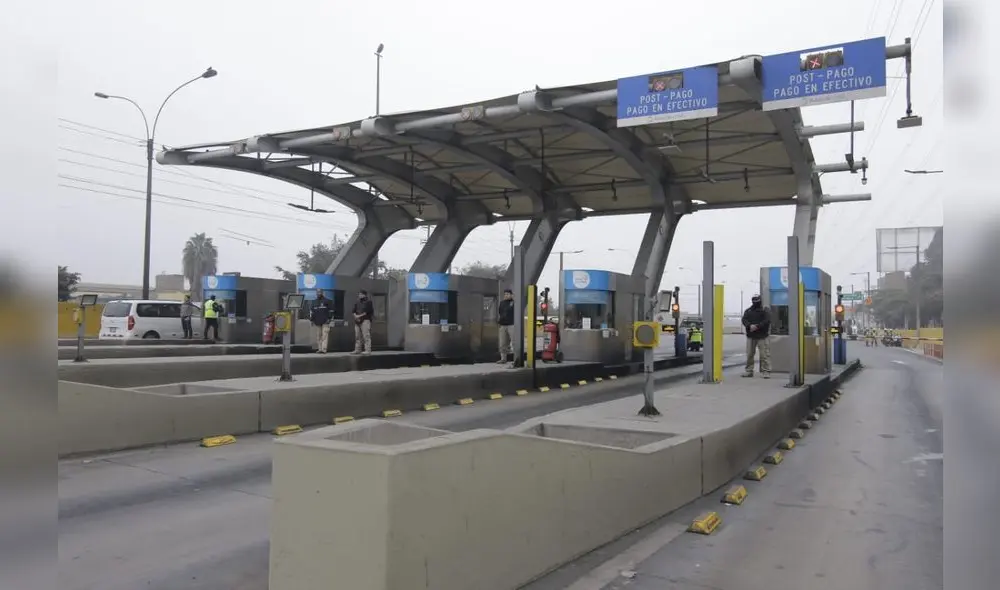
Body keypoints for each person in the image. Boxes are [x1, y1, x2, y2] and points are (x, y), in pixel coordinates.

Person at [741, 294, 771, 378]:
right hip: (751, 336)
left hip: (762, 336)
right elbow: (744, 319)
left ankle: (766, 371)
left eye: (757, 300)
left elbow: (767, 321)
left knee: (764, 355)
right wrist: (749, 325)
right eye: (754, 300)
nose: (756, 302)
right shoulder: (748, 311)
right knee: (749, 354)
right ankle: (749, 371)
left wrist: (757, 326)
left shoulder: (765, 310)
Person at [352, 289, 374, 355]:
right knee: (357, 336)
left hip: (365, 320)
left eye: (361, 294)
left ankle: (368, 350)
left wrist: (359, 316)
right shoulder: (357, 302)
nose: (359, 295)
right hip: (357, 321)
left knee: (366, 335)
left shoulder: (369, 302)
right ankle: (357, 350)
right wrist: (355, 316)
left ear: (365, 295)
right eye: (359, 294)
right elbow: (353, 311)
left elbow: (367, 312)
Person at [497, 288, 515, 363]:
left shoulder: (514, 303)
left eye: (508, 294)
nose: (506, 295)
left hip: (512, 324)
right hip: (503, 325)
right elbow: (500, 312)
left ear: (511, 295)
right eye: (505, 294)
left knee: (514, 342)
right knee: (502, 343)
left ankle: (516, 358)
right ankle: (503, 359)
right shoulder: (502, 303)